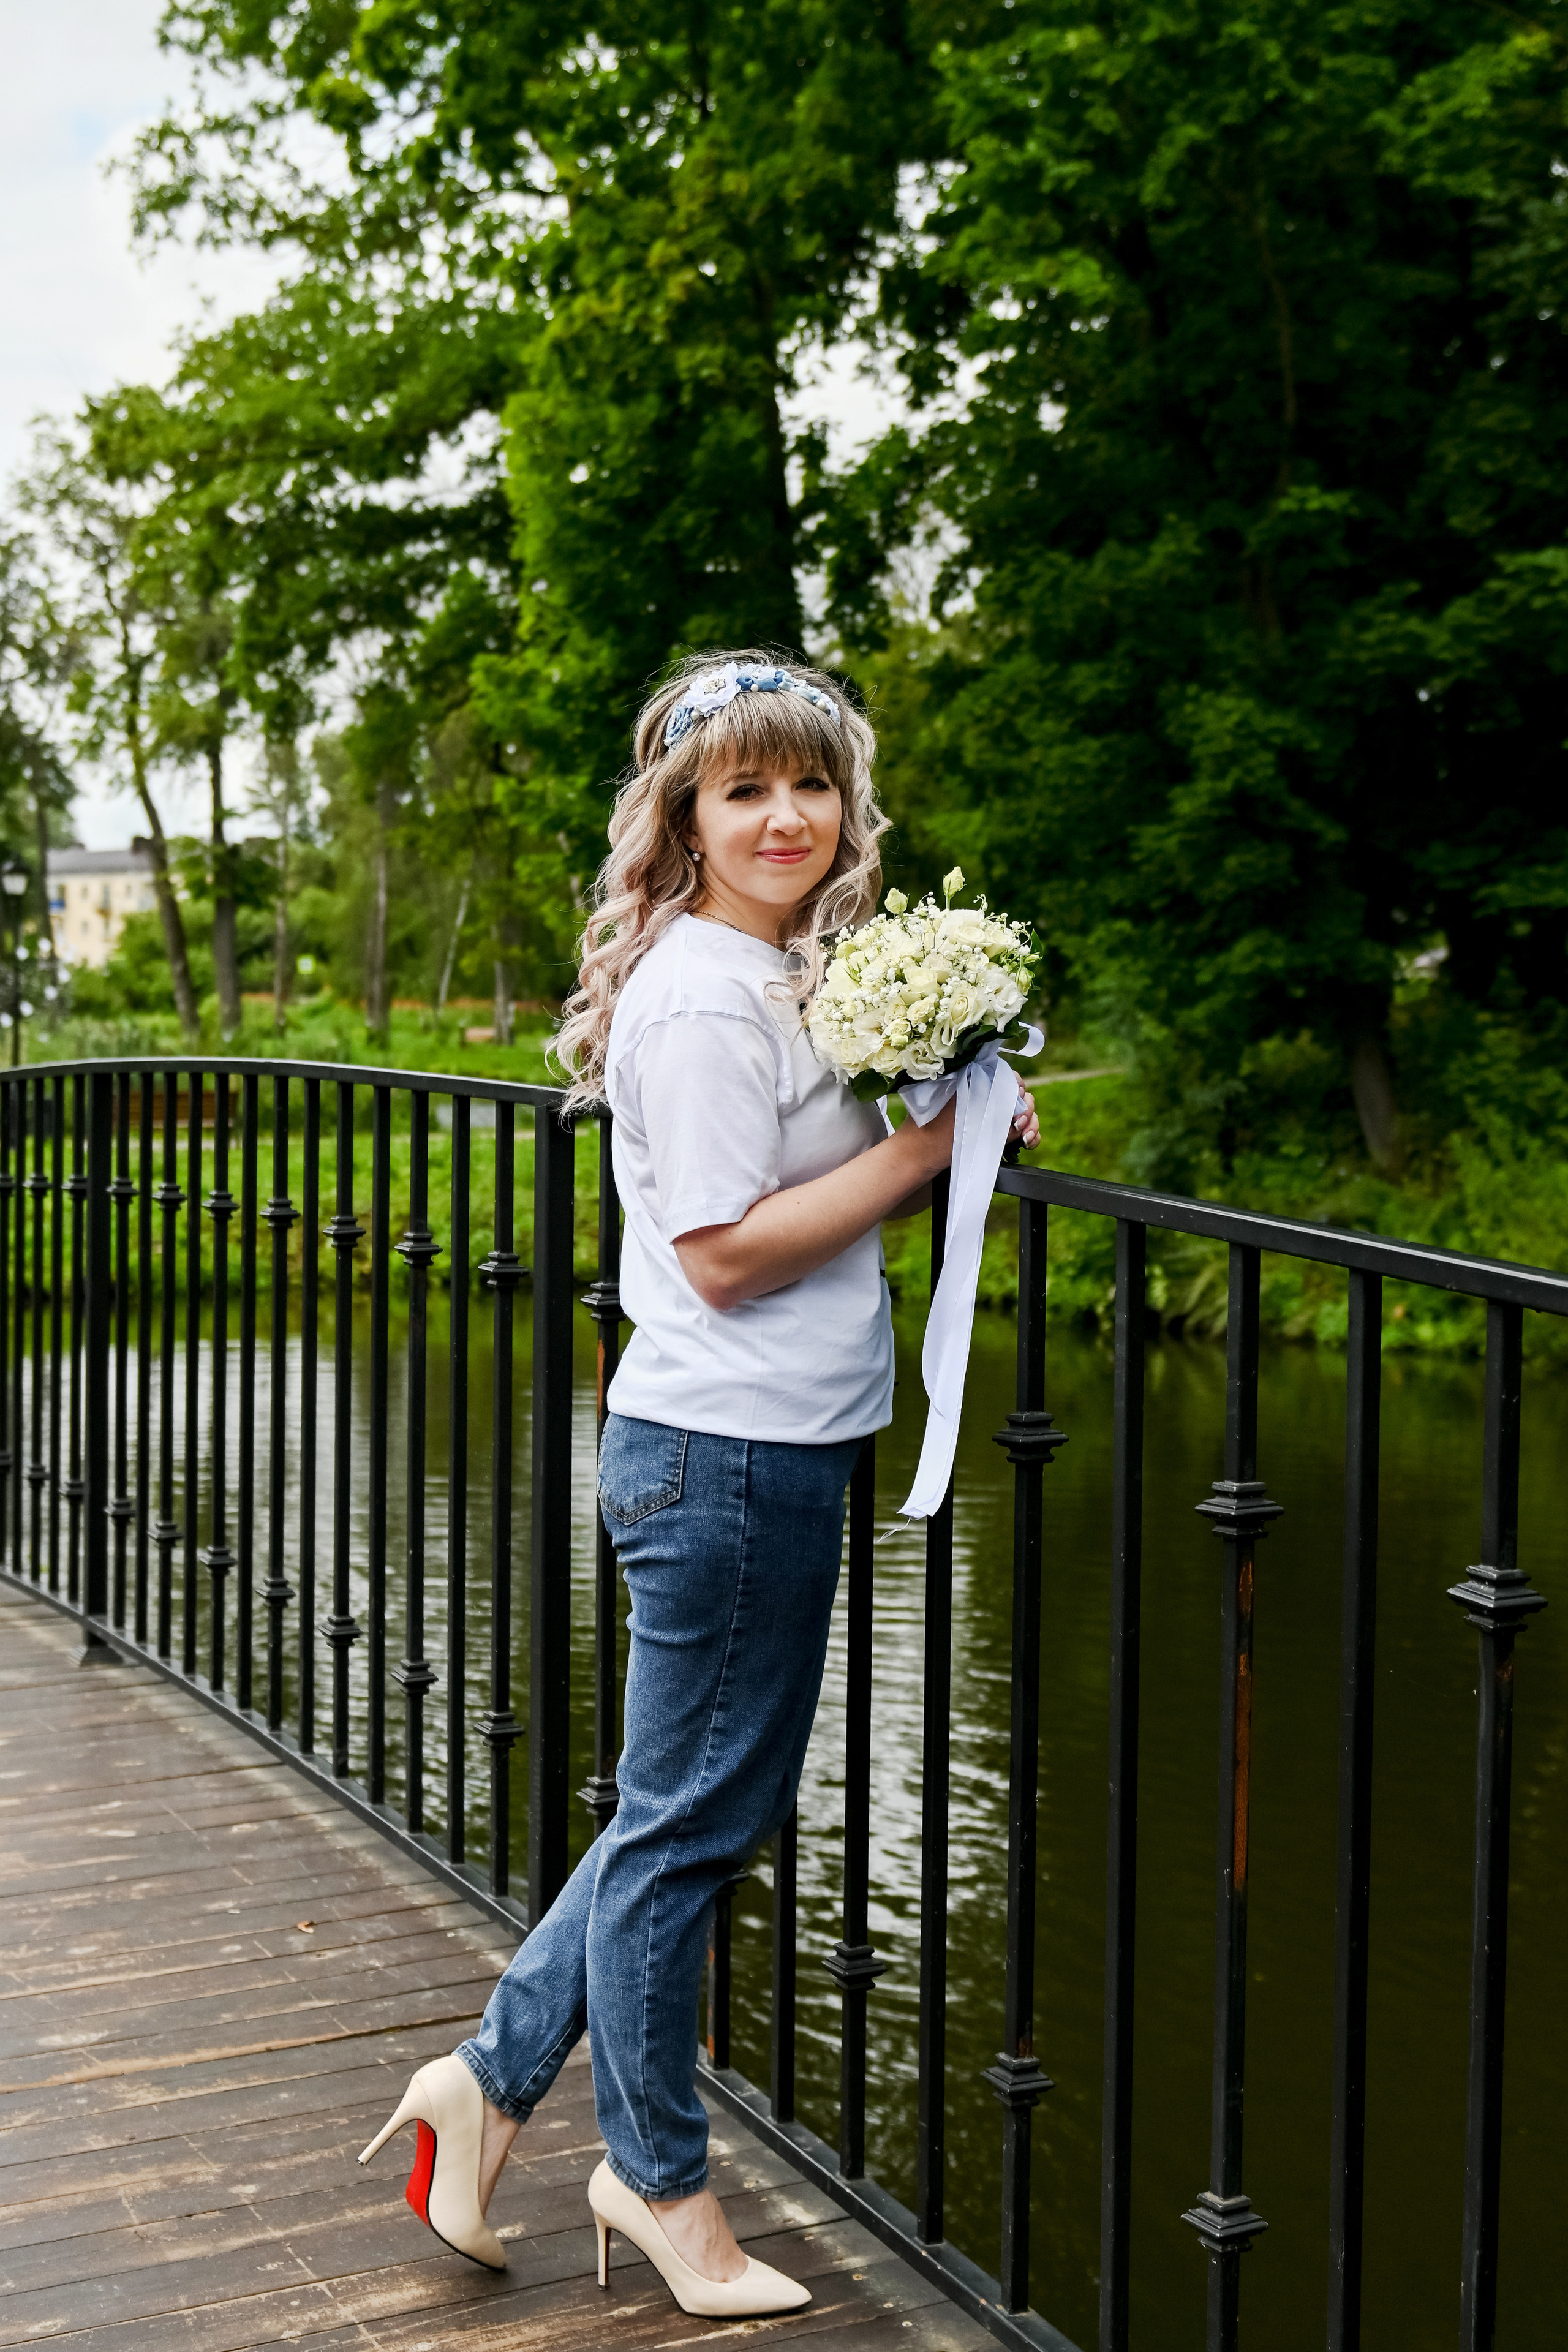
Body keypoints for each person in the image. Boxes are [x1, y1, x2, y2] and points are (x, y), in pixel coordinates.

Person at [357, 652, 1039, 2317]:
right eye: (745, 790)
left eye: (809, 784)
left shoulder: (774, 972)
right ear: (685, 816)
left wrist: (953, 1091)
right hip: (729, 1459)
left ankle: (490, 2083)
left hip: (763, 1454)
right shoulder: (699, 996)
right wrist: (926, 1156)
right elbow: (726, 1255)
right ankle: (661, 2184)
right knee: (684, 1840)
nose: (786, 815)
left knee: (681, 1817)